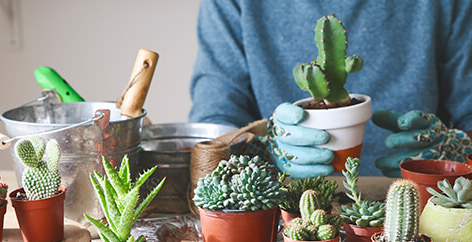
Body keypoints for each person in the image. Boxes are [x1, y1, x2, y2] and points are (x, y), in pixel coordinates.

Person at [189, 0, 472, 177]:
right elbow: (214, 128)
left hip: (424, 213)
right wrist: (265, 150)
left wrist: (456, 152)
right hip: (282, 219)